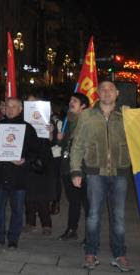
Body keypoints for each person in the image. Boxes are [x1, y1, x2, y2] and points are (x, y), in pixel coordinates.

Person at [71, 81, 134, 272]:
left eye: (111, 89)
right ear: (97, 93)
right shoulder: (87, 116)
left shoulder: (126, 116)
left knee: (119, 218)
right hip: (95, 174)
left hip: (120, 173)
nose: (107, 92)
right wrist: (76, 170)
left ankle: (119, 255)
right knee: (93, 216)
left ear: (117, 93)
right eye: (103, 89)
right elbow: (78, 144)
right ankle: (91, 254)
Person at [0, 97, 39, 249]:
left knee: (17, 210)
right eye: (8, 106)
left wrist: (24, 160)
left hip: (19, 176)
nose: (10, 110)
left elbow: (35, 152)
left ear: (20, 109)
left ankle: (13, 239)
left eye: (14, 107)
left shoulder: (28, 128)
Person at [57, 92, 90, 241]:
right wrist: (59, 139)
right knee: (73, 201)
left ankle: (90, 235)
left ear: (83, 106)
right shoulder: (69, 122)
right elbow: (66, 146)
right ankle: (71, 229)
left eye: (75, 101)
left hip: (83, 169)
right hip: (67, 167)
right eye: (70, 100)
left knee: (88, 203)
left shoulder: (88, 123)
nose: (71, 102)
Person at [23, 95, 56, 235]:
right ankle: (30, 222)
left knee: (42, 194)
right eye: (28, 103)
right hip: (27, 159)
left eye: (34, 102)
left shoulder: (48, 118)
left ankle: (46, 223)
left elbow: (53, 142)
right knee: (29, 194)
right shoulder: (22, 120)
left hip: (44, 159)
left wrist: (51, 133)